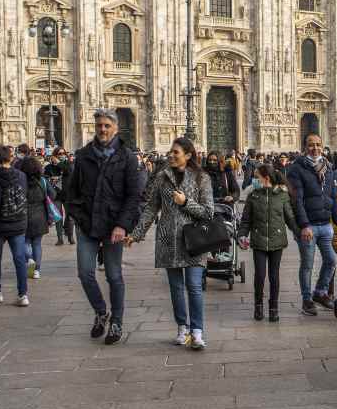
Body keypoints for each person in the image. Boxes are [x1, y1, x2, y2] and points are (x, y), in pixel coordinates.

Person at [66, 108, 145, 345]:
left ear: (115, 129)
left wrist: (122, 225)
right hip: (88, 225)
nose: (102, 129)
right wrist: (79, 217)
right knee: (85, 273)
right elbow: (71, 193)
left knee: (114, 275)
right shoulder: (83, 156)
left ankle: (117, 321)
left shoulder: (127, 157)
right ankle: (102, 312)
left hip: (114, 227)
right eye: (99, 125)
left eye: (107, 126)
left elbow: (134, 196)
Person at [128, 136, 214, 349]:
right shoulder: (162, 177)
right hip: (168, 239)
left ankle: (197, 331)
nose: (171, 155)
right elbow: (151, 208)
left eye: (176, 152)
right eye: (171, 152)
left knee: (193, 286)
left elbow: (208, 212)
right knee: (176, 288)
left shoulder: (201, 178)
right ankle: (182, 327)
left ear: (188, 155)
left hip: (194, 240)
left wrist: (186, 203)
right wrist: (136, 233)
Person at [237, 163, 297, 322]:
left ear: (266, 178)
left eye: (256, 178)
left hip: (277, 240)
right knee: (260, 275)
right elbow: (245, 220)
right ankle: (258, 305)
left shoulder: (282, 196)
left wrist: (299, 232)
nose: (254, 181)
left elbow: (290, 218)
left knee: (274, 276)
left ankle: (273, 307)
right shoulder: (253, 196)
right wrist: (242, 235)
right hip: (259, 239)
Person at [287, 133, 337, 317]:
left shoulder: (328, 167)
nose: (315, 148)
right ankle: (307, 299)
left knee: (331, 260)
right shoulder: (297, 168)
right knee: (307, 264)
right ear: (304, 147)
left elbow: (332, 195)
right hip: (308, 226)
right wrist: (304, 225)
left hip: (325, 224)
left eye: (318, 144)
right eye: (311, 145)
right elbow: (296, 200)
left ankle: (320, 292)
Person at [0, 145, 31, 306]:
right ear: (11, 158)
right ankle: (23, 295)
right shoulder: (22, 176)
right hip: (18, 223)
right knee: (19, 259)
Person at [22, 158, 55, 281]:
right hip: (40, 216)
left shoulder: (21, 181)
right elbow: (53, 195)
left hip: (24, 215)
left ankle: (29, 258)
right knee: (37, 244)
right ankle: (36, 270)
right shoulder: (43, 180)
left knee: (25, 242)